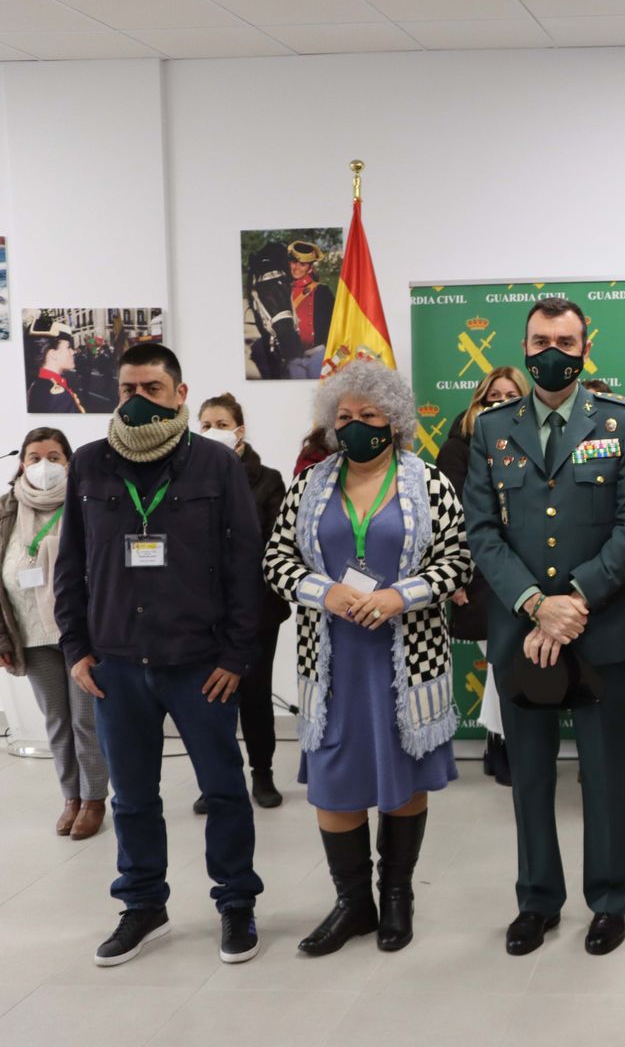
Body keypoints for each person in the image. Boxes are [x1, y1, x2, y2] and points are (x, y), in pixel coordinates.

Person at [54, 344, 265, 967]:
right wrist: (76, 648)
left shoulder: (215, 464)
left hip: (200, 664)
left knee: (224, 790)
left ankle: (236, 902)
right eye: (128, 389)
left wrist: (236, 656)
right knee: (132, 797)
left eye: (152, 388)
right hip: (116, 665)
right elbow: (71, 564)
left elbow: (244, 565)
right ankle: (143, 904)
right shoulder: (89, 463)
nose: (139, 400)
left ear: (179, 393)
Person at [463, 296, 625, 959]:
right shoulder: (493, 428)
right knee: (531, 775)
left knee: (606, 775)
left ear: (584, 348)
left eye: (565, 342)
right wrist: (534, 604)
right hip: (522, 631)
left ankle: (610, 900)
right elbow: (482, 531)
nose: (552, 352)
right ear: (524, 346)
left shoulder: (621, 422)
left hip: (599, 629)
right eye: (540, 340)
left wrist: (572, 600)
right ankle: (537, 900)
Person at [263, 360, 470, 956]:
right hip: (332, 662)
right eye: (345, 416)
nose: (355, 426)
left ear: (395, 421)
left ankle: (397, 895)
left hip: (406, 659)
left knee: (402, 776)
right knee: (334, 781)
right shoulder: (309, 483)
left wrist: (399, 596)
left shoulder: (429, 483)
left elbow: (458, 560)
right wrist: (321, 590)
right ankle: (353, 902)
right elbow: (276, 560)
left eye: (369, 415)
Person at [0, 428, 107, 839]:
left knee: (85, 721)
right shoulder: (6, 510)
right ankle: (71, 798)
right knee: (57, 721)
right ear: (21, 463)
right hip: (31, 634)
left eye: (54, 457)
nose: (44, 466)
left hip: (82, 635)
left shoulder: (87, 502)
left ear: (69, 461)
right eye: (34, 457)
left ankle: (94, 799)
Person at [191, 394, 288, 813]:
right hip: (203, 610)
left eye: (221, 423)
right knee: (209, 698)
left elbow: (275, 542)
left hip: (257, 607)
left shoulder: (268, 479)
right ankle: (215, 780)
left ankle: (262, 773)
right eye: (205, 424)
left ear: (240, 431)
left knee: (254, 693)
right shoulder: (187, 476)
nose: (213, 431)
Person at [436, 366, 530, 787]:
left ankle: (498, 744)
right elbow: (449, 517)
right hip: (478, 572)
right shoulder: (459, 446)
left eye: (512, 396)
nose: (502, 403)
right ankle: (504, 744)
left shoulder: (534, 441)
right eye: (494, 396)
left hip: (525, 569)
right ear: (479, 400)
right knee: (502, 661)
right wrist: (455, 576)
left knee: (509, 661)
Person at [286, 240, 334, 380]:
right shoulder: (282, 290)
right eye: (294, 262)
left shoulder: (322, 291)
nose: (296, 268)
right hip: (293, 357)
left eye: (302, 264)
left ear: (310, 268)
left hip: (318, 355)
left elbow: (335, 324)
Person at [28, 334, 87, 413]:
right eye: (68, 347)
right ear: (53, 354)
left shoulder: (39, 383)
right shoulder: (57, 395)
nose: (73, 352)